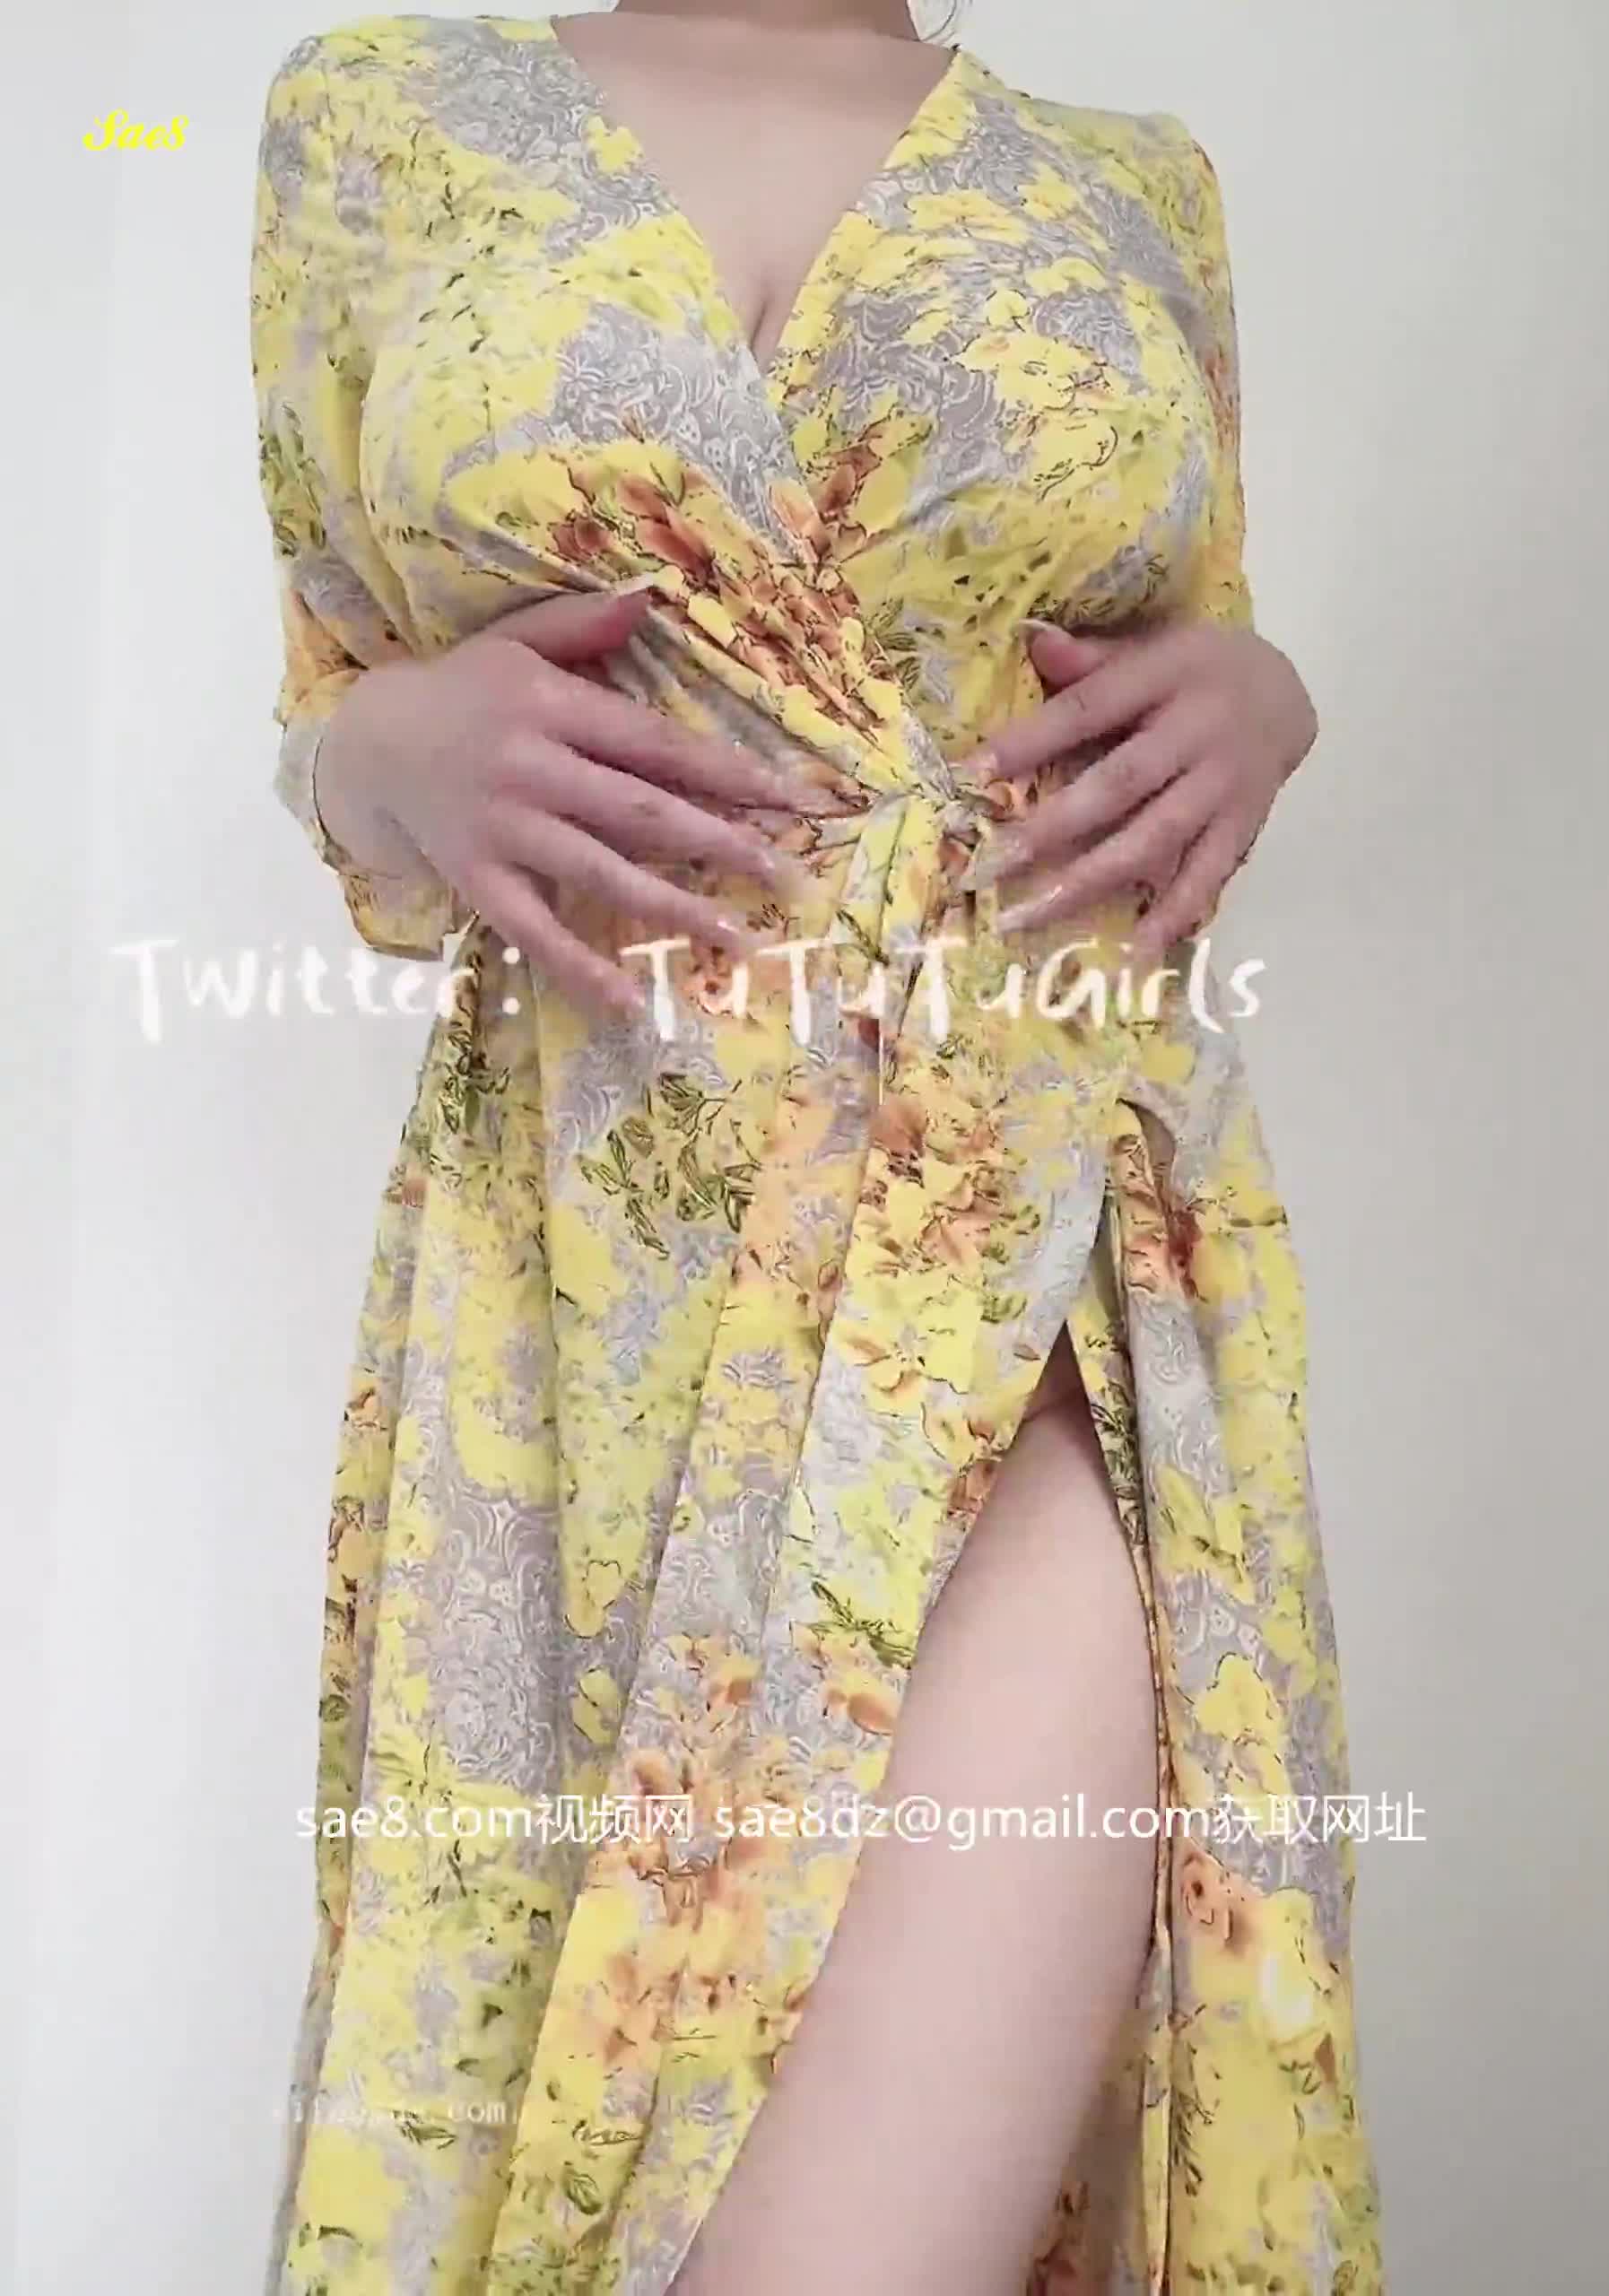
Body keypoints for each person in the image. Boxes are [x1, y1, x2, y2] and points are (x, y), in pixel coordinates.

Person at [249, 4, 1384, 2289]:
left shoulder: (1138, 184)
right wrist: (385, 749)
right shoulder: (369, 116)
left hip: (1033, 1278)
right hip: (569, 1337)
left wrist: (1267, 699)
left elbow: (1189, 647)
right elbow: (330, 717)